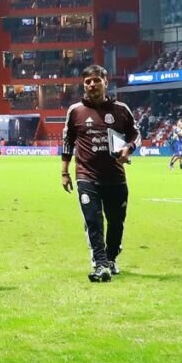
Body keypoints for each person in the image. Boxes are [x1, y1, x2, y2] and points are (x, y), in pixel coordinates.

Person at [61, 64, 140, 282]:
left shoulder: (121, 110)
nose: (92, 85)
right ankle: (100, 263)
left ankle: (112, 258)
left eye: (96, 80)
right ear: (83, 85)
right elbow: (67, 141)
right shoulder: (75, 111)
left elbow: (135, 133)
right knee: (93, 221)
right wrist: (64, 172)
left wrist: (129, 148)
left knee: (116, 221)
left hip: (116, 176)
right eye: (88, 81)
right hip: (86, 176)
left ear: (106, 82)